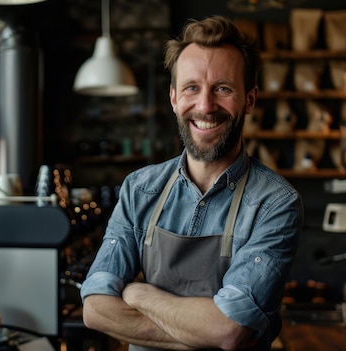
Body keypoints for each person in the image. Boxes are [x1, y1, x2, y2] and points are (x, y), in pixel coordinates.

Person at [79, 15, 304, 351]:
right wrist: (202, 333)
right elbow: (96, 309)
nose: (205, 105)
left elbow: (230, 330)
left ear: (250, 99)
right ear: (173, 98)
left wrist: (138, 293)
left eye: (223, 89)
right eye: (191, 88)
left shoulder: (275, 202)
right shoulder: (139, 188)